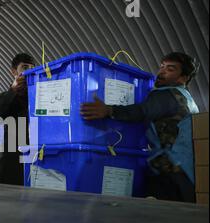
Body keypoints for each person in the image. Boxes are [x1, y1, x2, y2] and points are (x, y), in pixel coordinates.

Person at [80, 52, 201, 203]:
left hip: (170, 172)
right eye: (162, 66)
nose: (162, 71)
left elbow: (142, 111)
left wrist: (109, 110)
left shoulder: (167, 95)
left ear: (183, 77)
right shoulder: (188, 99)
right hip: (188, 172)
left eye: (170, 69)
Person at [0, 53, 35, 186]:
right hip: (11, 165)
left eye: (32, 68)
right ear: (14, 72)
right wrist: (13, 91)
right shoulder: (6, 97)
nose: (30, 71)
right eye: (25, 67)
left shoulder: (39, 97)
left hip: (34, 162)